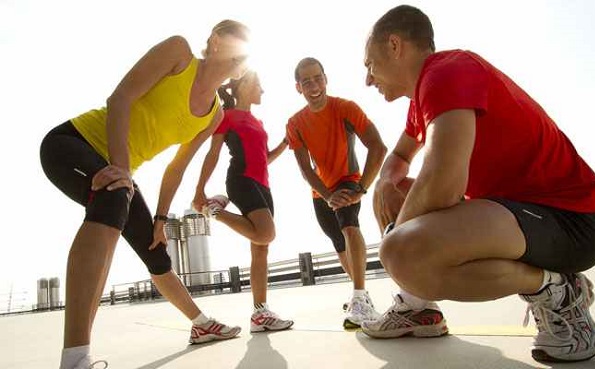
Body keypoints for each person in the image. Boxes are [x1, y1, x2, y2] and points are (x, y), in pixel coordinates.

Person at [361, 4, 595, 363]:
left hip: (572, 221)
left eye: (369, 65)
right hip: (517, 217)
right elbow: (398, 158)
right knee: (392, 194)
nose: (368, 78)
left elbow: (443, 184)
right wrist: (385, 183)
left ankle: (560, 292)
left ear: (394, 45)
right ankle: (418, 307)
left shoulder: (447, 71)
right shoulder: (425, 96)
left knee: (400, 252)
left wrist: (397, 245)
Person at [40, 20, 252, 369]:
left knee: (154, 248)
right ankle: (75, 360)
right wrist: (122, 170)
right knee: (113, 197)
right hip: (72, 143)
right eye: (235, 43)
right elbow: (120, 98)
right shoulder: (179, 53)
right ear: (215, 41)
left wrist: (160, 218)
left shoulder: (215, 115)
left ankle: (200, 325)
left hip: (120, 170)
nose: (239, 55)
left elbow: (176, 168)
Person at [286, 57, 387, 329]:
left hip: (349, 181)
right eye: (306, 81)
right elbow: (306, 170)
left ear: (326, 78)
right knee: (339, 243)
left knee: (349, 226)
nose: (314, 84)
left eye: (318, 77)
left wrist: (362, 188)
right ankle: (361, 295)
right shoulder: (294, 123)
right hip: (321, 191)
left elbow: (378, 147)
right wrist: (326, 194)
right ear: (299, 88)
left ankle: (358, 297)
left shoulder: (346, 108)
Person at [193, 70, 294, 333]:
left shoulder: (257, 121)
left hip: (263, 185)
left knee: (261, 248)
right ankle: (213, 210)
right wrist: (199, 191)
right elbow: (213, 153)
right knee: (266, 234)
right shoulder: (226, 117)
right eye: (259, 84)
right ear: (245, 86)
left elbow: (263, 158)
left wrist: (285, 143)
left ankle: (260, 314)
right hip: (240, 180)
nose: (263, 90)